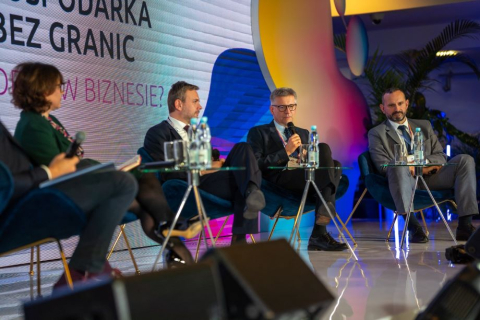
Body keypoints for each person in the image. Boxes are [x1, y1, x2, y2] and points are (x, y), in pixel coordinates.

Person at [11, 62, 199, 267]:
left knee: (141, 173)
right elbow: (58, 170)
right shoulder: (32, 125)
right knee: (140, 198)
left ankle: (169, 228)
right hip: (63, 193)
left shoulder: (47, 120)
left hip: (80, 181)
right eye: (58, 86)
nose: (62, 91)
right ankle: (171, 227)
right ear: (44, 90)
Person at [0, 120, 137, 289]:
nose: (61, 92)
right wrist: (50, 172)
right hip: (14, 212)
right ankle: (85, 271)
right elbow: (5, 184)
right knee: (121, 183)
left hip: (28, 198)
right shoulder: (31, 125)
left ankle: (89, 269)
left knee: (119, 181)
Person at [144, 81, 265, 244]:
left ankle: (251, 192)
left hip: (211, 181)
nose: (200, 106)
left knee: (242, 148)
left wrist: (215, 164)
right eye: (195, 101)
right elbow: (168, 172)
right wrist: (202, 170)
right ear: (179, 104)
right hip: (186, 186)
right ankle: (240, 234)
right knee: (243, 177)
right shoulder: (158, 133)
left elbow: (208, 162)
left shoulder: (199, 132)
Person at [368, 87, 478, 242]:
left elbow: (440, 156)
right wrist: (409, 167)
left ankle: (465, 226)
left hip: (432, 177)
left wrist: (424, 166)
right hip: (402, 181)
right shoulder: (377, 133)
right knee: (395, 166)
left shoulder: (424, 126)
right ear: (383, 108)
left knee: (465, 160)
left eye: (400, 103)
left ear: (406, 104)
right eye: (391, 105)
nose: (397, 109)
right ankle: (413, 227)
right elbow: (383, 165)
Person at [247, 87, 347, 251]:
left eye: (291, 106)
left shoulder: (303, 133)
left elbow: (313, 163)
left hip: (304, 177)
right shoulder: (259, 132)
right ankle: (321, 226)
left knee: (326, 152)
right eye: (282, 107)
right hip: (278, 181)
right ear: (272, 109)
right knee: (334, 168)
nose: (288, 111)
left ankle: (320, 226)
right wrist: (286, 151)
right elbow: (257, 164)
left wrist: (306, 160)